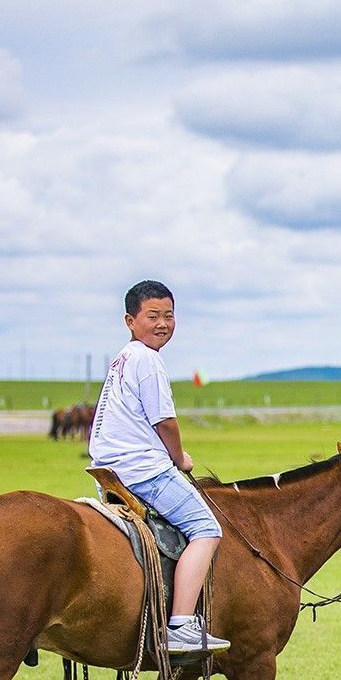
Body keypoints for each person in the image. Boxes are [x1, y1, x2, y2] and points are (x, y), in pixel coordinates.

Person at [89, 280, 228, 656]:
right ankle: (181, 625)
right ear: (130, 320)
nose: (162, 323)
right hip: (142, 469)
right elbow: (164, 421)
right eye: (153, 316)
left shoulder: (123, 359)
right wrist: (180, 458)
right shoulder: (148, 360)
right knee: (206, 528)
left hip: (109, 467)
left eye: (169, 315)